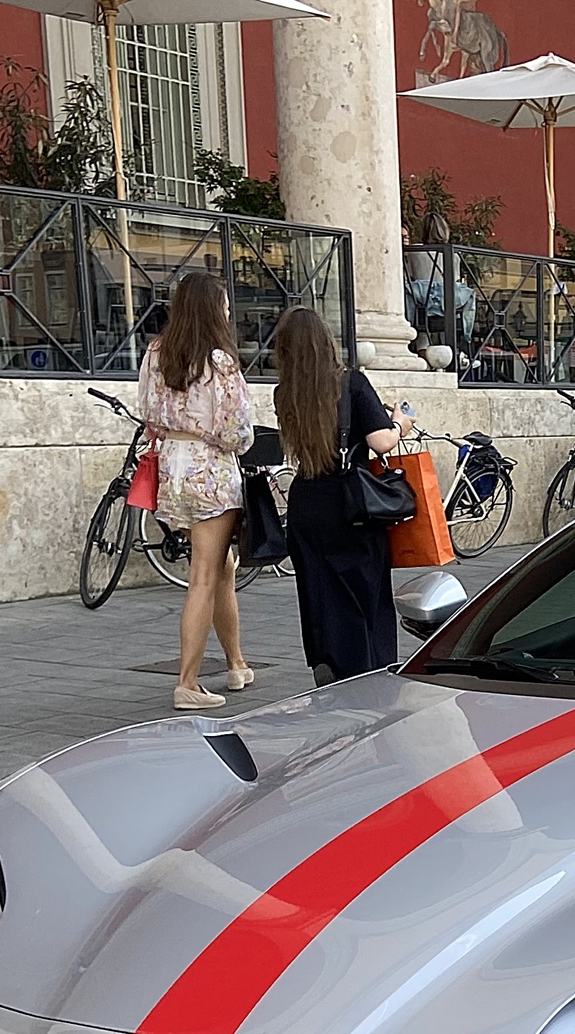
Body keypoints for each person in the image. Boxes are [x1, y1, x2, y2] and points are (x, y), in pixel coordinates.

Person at [274, 303, 413, 685]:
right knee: (363, 590)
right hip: (350, 503)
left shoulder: (283, 392)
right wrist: (400, 423)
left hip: (306, 502)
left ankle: (330, 661)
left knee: (321, 593)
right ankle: (367, 668)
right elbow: (382, 442)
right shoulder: (350, 382)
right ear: (326, 343)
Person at [137, 270, 256, 711]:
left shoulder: (156, 353)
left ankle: (236, 662)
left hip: (172, 467)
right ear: (213, 308)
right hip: (211, 473)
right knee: (205, 575)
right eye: (224, 304)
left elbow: (147, 411)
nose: (228, 311)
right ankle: (187, 682)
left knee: (221, 566)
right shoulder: (220, 360)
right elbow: (235, 430)